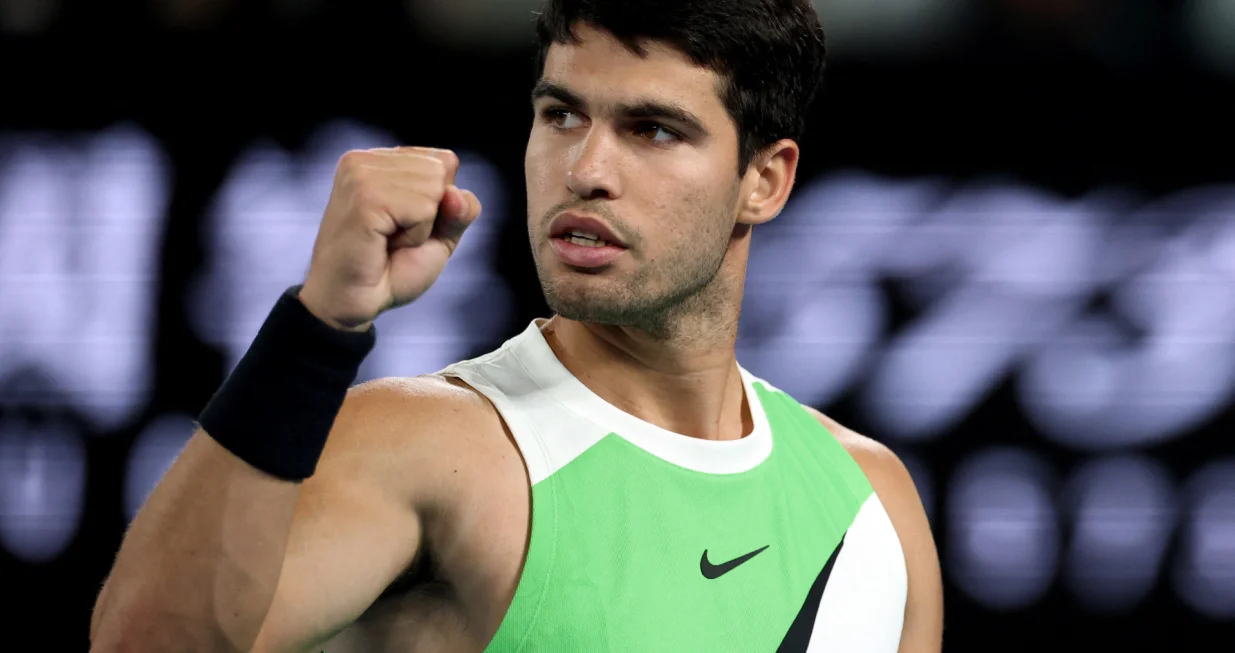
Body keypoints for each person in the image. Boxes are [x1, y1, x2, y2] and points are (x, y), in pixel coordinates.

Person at [89, 0, 943, 650]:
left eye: (651, 129)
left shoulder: (871, 502)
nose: (584, 169)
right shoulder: (431, 440)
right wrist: (318, 324)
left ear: (764, 179)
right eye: (561, 114)